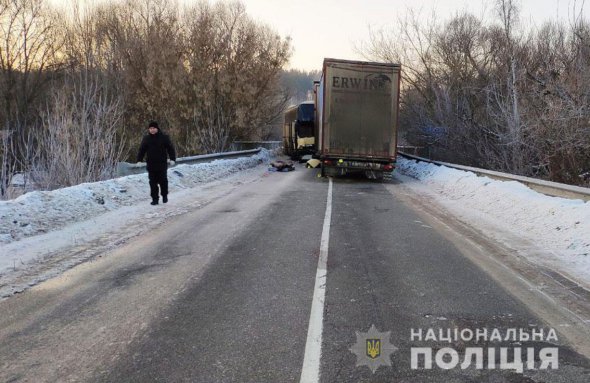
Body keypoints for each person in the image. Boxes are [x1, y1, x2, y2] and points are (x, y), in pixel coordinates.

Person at [137, 121, 176, 205]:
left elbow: (170, 149)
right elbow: (142, 150)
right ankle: (155, 199)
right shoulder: (146, 139)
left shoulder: (164, 137)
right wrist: (139, 160)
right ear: (149, 129)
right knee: (152, 182)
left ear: (157, 128)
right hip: (151, 164)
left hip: (162, 164)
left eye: (154, 128)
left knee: (163, 181)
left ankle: (164, 195)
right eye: (150, 128)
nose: (152, 130)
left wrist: (172, 159)